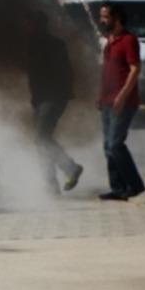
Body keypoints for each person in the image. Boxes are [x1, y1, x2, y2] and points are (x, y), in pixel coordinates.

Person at [24, 10, 84, 192]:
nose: (28, 28)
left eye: (30, 24)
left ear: (39, 25)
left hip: (53, 97)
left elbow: (66, 71)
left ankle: (70, 167)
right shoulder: (32, 44)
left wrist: (62, 91)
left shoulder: (53, 45)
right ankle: (51, 184)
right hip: (41, 97)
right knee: (41, 140)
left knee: (41, 137)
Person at [97, 2, 145, 201]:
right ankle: (117, 188)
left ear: (116, 17)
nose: (102, 20)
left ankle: (134, 185)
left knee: (115, 143)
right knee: (107, 146)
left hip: (123, 101)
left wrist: (122, 96)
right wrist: (100, 96)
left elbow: (135, 69)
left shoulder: (129, 40)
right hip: (106, 100)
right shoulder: (108, 41)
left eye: (105, 16)